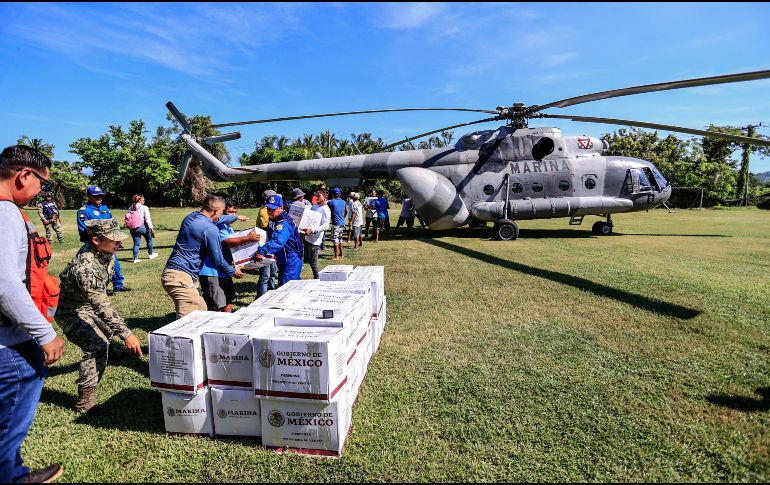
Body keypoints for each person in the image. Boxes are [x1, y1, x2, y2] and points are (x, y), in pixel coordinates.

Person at [0, 145, 65, 484]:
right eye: (43, 183)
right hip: (8, 346)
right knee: (8, 425)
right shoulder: (5, 213)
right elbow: (4, 283)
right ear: (24, 175)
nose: (42, 191)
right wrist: (44, 334)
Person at [57, 219, 144, 413]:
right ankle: (85, 401)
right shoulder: (86, 267)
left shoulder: (105, 253)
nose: (119, 244)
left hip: (86, 303)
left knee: (104, 331)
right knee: (96, 345)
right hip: (69, 310)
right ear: (96, 240)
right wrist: (127, 334)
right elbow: (101, 306)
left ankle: (111, 353)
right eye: (114, 240)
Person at [161, 194, 240, 319]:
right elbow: (217, 260)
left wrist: (236, 217)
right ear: (215, 210)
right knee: (187, 322)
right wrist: (232, 271)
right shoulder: (210, 229)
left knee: (202, 312)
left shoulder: (191, 217)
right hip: (180, 278)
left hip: (174, 273)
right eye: (221, 211)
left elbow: (218, 219)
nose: (222, 215)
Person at [199, 202, 257, 313]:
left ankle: (228, 324)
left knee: (228, 299)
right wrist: (248, 238)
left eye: (235, 212)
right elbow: (226, 242)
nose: (233, 215)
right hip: (211, 271)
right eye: (230, 212)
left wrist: (240, 263)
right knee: (216, 305)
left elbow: (233, 247)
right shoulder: (216, 226)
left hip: (224, 270)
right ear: (222, 212)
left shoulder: (227, 227)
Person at [77, 186, 131, 294]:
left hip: (110, 243)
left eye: (100, 195)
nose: (98, 197)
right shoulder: (84, 211)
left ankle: (118, 285)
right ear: (88, 196)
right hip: (96, 244)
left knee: (114, 263)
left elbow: (113, 226)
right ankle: (101, 289)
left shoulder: (105, 209)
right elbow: (84, 229)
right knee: (98, 266)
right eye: (95, 196)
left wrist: (117, 239)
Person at [254, 194, 303, 286]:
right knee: (286, 284)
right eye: (268, 209)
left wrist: (262, 251)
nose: (269, 212)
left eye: (273, 209)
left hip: (291, 257)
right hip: (285, 256)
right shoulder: (276, 219)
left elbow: (278, 241)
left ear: (281, 207)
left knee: (288, 286)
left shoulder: (283, 223)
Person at [302, 190, 330, 279]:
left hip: (315, 240)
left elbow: (325, 226)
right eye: (316, 195)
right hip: (307, 237)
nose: (316, 197)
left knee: (314, 263)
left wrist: (313, 229)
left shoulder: (326, 210)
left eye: (319, 196)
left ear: (325, 198)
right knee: (308, 260)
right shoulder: (314, 206)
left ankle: (318, 280)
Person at [256, 190, 278, 298]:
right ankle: (261, 298)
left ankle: (271, 294)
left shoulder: (268, 210)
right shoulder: (264, 211)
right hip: (264, 245)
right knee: (265, 275)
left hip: (271, 245)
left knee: (273, 272)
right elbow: (265, 225)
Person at [126, 194, 159, 263]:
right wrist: (151, 227)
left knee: (136, 244)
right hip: (142, 226)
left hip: (133, 228)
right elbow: (147, 219)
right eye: (143, 199)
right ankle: (151, 254)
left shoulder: (130, 208)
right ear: (139, 200)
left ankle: (135, 259)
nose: (144, 200)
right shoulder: (144, 207)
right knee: (149, 240)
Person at [327, 188, 347, 260]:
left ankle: (336, 256)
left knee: (335, 240)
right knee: (340, 239)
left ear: (333, 194)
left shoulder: (331, 202)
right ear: (340, 194)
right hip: (342, 223)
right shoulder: (344, 202)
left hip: (335, 224)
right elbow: (346, 211)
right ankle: (341, 254)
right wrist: (342, 217)